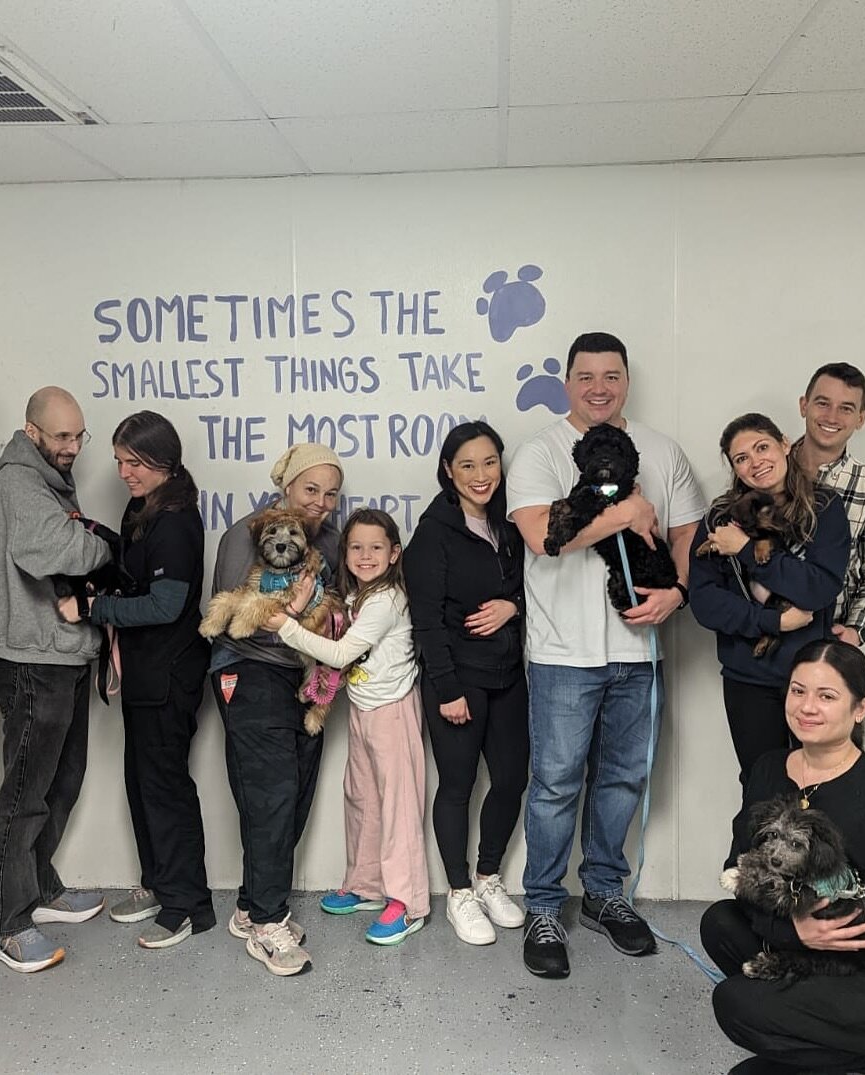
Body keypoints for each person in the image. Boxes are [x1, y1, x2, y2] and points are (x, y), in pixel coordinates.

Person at [508, 331, 704, 979]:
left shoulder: (662, 450)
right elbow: (541, 537)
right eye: (586, 375)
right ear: (567, 381)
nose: (599, 386)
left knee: (622, 778)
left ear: (625, 380)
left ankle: (603, 892)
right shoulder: (538, 451)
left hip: (638, 650)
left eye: (611, 375)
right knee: (556, 782)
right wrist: (622, 513)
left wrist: (675, 593)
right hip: (562, 652)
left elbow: (684, 534)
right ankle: (541, 903)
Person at [701, 640, 865, 1075]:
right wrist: (795, 930)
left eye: (827, 696)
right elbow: (741, 867)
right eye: (798, 690)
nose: (807, 707)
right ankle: (846, 1046)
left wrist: (830, 930)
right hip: (813, 955)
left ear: (860, 709)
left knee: (734, 1004)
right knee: (720, 922)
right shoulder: (768, 770)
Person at [57, 411, 214, 950]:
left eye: (135, 462)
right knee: (141, 782)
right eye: (120, 461)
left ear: (164, 461)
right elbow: (133, 569)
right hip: (144, 673)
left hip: (169, 673)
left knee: (165, 787)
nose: (124, 471)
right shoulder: (141, 508)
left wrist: (92, 608)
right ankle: (158, 883)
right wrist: (94, 532)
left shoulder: (176, 520)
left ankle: (188, 905)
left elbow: (166, 604)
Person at [0, 386, 113, 974]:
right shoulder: (19, 483)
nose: (72, 446)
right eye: (61, 436)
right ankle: (5, 924)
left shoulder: (49, 480)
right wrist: (101, 542)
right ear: (31, 432)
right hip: (33, 658)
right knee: (25, 795)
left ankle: (41, 887)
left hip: (62, 653)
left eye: (78, 435)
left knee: (62, 781)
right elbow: (59, 551)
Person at [209, 442, 344, 977]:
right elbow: (231, 610)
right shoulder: (245, 532)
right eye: (312, 490)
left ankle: (249, 905)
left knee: (296, 790)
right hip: (250, 670)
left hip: (309, 675)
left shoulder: (330, 540)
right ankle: (269, 923)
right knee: (271, 791)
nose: (321, 503)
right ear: (287, 485)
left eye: (331, 494)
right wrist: (290, 613)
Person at [267, 508, 429, 947]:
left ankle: (408, 902)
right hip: (363, 709)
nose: (365, 555)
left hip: (392, 711)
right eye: (356, 547)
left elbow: (339, 655)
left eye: (376, 547)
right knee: (362, 798)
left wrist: (285, 627)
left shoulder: (387, 599)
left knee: (398, 807)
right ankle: (367, 884)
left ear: (394, 553)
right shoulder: (355, 597)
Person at [403, 421, 528, 948]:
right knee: (457, 785)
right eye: (468, 465)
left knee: (511, 779)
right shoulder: (433, 533)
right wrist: (448, 688)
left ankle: (488, 877)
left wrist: (513, 605)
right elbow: (426, 621)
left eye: (490, 462)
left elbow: (531, 588)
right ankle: (458, 892)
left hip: (508, 675)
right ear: (448, 472)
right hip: (457, 680)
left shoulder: (510, 525)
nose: (481, 475)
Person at [689, 412, 850, 782]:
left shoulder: (824, 506)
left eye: (762, 447)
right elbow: (705, 601)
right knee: (761, 785)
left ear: (784, 444)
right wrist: (771, 621)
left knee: (822, 785)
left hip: (814, 674)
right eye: (741, 458)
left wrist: (745, 549)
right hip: (749, 677)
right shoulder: (720, 516)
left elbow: (818, 586)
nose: (755, 462)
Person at [793, 362, 865, 648]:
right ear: (804, 405)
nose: (832, 416)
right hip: (756, 647)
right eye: (822, 403)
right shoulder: (764, 469)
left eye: (846, 408)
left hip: (826, 647)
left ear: (861, 418)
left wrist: (854, 630)